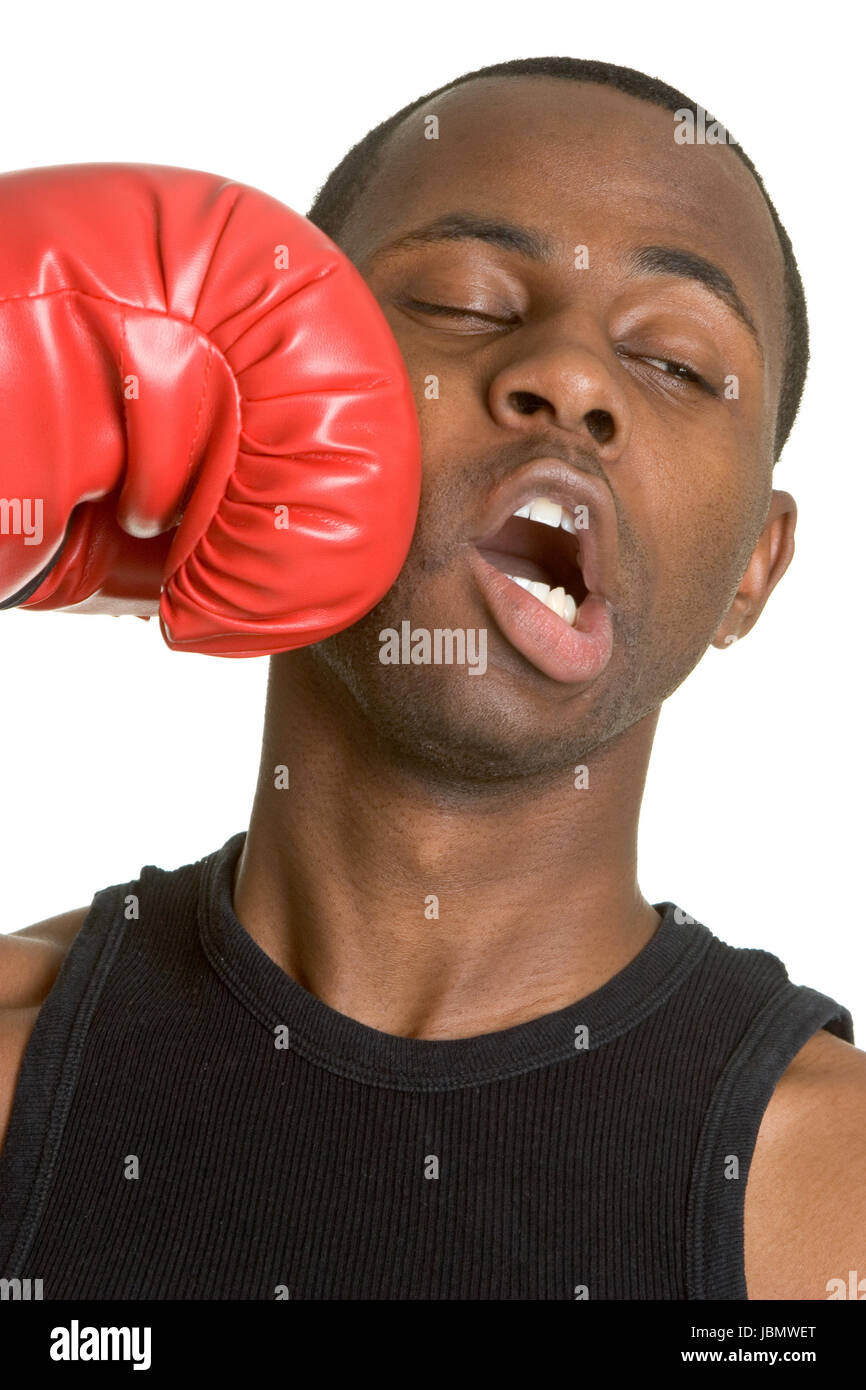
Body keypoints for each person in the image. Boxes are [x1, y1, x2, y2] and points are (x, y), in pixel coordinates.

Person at [1, 56, 864, 1302]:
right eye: (461, 301)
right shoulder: (20, 1066)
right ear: (264, 383)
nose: (570, 377)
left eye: (675, 361)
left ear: (752, 570)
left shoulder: (834, 1203)